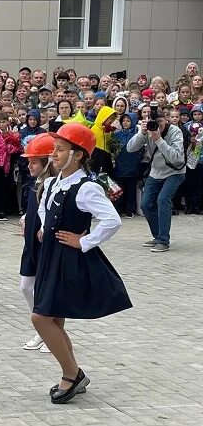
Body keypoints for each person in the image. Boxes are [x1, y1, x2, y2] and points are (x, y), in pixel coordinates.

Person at [32, 123, 132, 404]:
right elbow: (44, 207)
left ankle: (71, 373)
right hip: (51, 255)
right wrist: (43, 226)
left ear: (78, 155)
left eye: (61, 150)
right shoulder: (52, 181)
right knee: (54, 319)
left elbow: (112, 220)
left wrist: (84, 241)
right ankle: (73, 374)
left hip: (69, 259)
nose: (54, 154)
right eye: (54, 148)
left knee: (40, 318)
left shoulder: (87, 187)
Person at [127, 108, 186, 252]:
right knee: (146, 204)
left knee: (163, 199)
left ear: (166, 119)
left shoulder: (175, 132)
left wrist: (159, 140)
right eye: (154, 122)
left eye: (159, 121)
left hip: (175, 172)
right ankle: (158, 236)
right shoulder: (147, 130)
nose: (157, 125)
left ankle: (164, 241)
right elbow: (130, 148)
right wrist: (142, 133)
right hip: (156, 172)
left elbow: (176, 157)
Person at [18, 133, 56, 352]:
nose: (29, 165)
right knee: (26, 286)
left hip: (44, 244)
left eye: (34, 161)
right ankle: (43, 330)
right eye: (29, 161)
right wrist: (25, 219)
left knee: (43, 289)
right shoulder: (36, 182)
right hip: (30, 243)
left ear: (46, 161)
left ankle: (50, 333)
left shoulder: (52, 185)